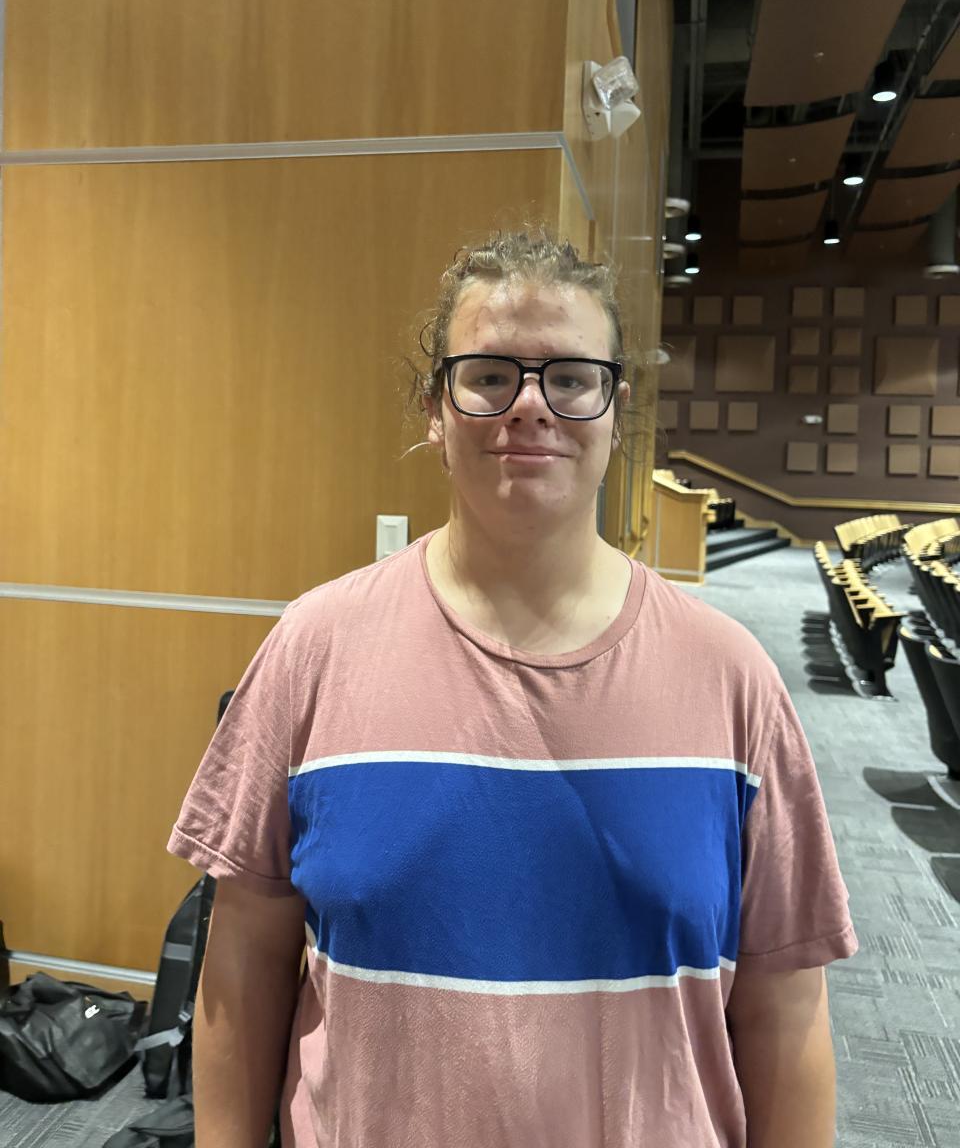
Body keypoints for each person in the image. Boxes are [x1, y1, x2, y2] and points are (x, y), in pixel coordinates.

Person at [168, 229, 858, 1148]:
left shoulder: (733, 680)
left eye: (570, 378)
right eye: (489, 375)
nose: (530, 406)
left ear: (616, 410)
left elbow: (785, 1012)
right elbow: (244, 964)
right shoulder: (312, 649)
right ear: (435, 409)